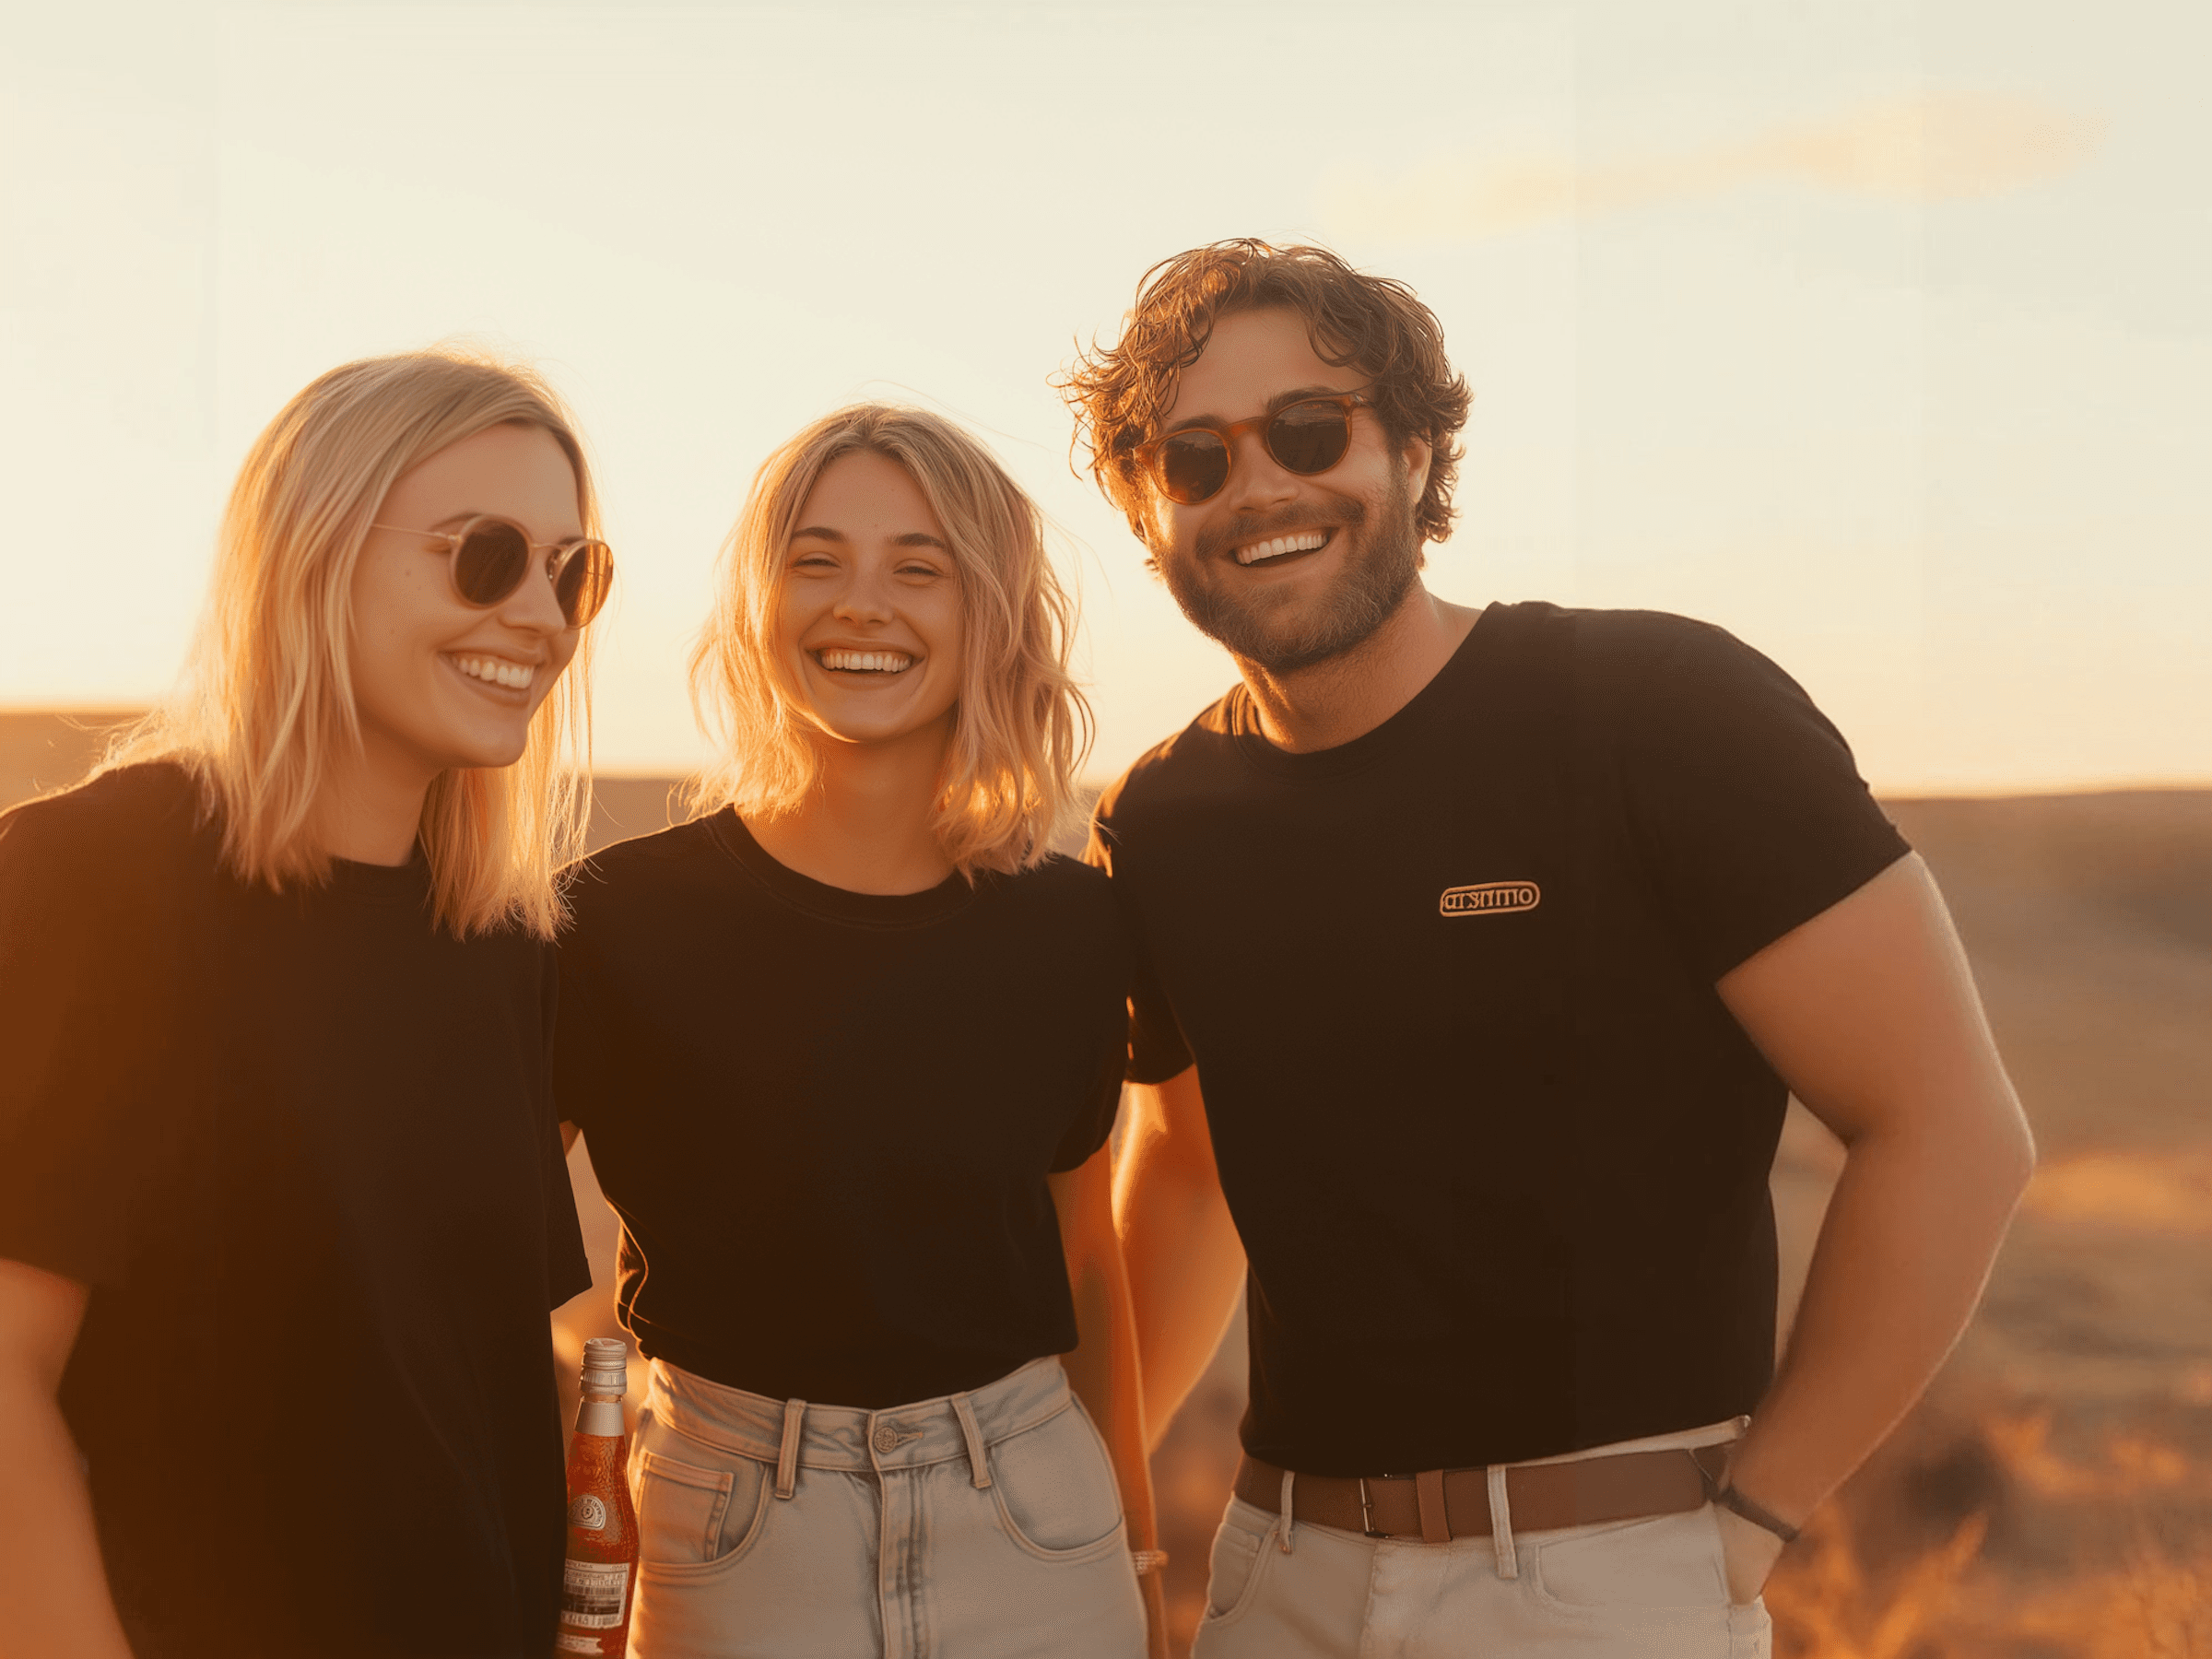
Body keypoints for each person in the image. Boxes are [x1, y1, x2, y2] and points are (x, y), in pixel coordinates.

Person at [1061, 240, 2036, 1657]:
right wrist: (1111, 1523)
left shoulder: (1660, 714)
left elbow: (1951, 1130)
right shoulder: (1164, 818)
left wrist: (1750, 1525)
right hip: (1277, 1583)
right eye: (1194, 458)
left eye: (1310, 431)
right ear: (1151, 511)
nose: (1258, 484)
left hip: (1610, 1581)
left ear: (1412, 450)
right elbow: (1192, 1172)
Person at [0, 350, 615, 1659]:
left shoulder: (502, 944)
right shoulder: (92, 882)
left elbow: (441, 1373)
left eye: (576, 573)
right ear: (310, 552)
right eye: (484, 554)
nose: (543, 617)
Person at [551, 405, 1165, 1658]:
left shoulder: (1073, 922)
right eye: (817, 560)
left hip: (1038, 1519)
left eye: (918, 568)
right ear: (759, 605)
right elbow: (473, 1254)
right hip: (723, 1532)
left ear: (988, 613)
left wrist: (1142, 1557)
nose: (862, 604)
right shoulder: (617, 919)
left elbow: (1083, 1254)